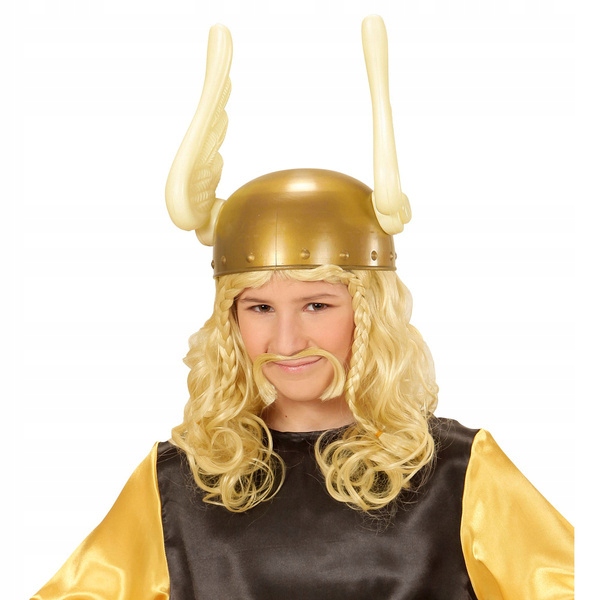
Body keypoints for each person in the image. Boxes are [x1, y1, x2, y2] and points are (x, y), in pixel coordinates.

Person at [32, 16, 574, 600]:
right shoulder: (176, 484)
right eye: (259, 308)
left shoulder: (459, 474)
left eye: (317, 304)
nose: (287, 341)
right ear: (230, 319)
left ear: (369, 311)